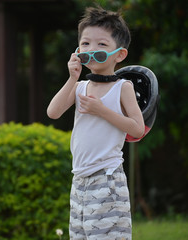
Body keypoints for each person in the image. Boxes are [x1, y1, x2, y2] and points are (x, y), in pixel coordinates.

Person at [47, 6, 144, 240]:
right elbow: (53, 112)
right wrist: (72, 77)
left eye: (101, 45)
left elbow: (138, 129)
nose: (92, 49)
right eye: (86, 44)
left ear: (119, 55)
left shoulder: (123, 87)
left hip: (107, 178)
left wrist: (103, 111)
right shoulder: (79, 87)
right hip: (79, 179)